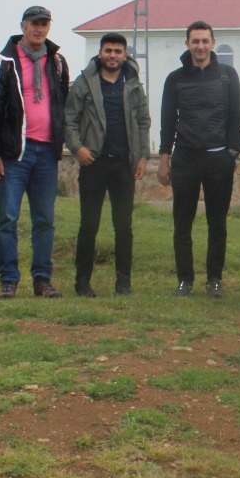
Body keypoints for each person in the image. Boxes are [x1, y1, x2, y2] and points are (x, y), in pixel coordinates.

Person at [0, 5, 70, 298]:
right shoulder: (3, 62)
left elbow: (61, 104)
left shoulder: (57, 61)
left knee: (44, 219)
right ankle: (8, 279)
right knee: (8, 218)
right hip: (13, 154)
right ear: (23, 25)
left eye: (44, 24)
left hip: (46, 152)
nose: (39, 29)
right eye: (34, 23)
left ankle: (42, 280)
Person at [158, 21, 240, 297]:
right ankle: (185, 280)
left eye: (205, 41)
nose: (200, 46)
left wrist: (232, 152)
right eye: (195, 41)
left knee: (217, 224)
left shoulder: (228, 76)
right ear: (187, 44)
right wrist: (164, 157)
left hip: (219, 160)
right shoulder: (175, 79)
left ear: (212, 42)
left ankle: (214, 280)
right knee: (182, 223)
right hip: (185, 159)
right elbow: (168, 121)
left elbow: (236, 117)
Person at [64, 32, 151, 297]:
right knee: (89, 225)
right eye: (108, 50)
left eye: (118, 51)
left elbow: (143, 121)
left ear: (125, 55)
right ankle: (82, 282)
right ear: (100, 53)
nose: (112, 55)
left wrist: (143, 156)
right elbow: (69, 119)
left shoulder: (133, 83)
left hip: (124, 164)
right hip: (94, 163)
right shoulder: (84, 82)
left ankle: (123, 282)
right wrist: (77, 148)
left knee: (123, 226)